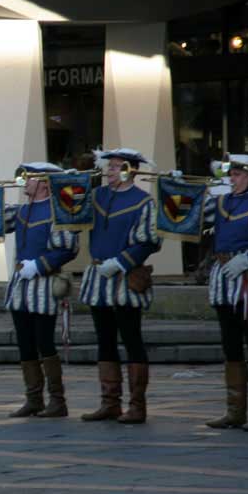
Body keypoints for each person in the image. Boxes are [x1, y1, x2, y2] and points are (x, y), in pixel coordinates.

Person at [77, 148, 162, 425]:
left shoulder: (143, 202)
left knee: (131, 338)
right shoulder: (97, 196)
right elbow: (72, 216)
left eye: (116, 167)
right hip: (98, 276)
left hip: (125, 279)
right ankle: (109, 403)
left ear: (130, 170)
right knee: (104, 340)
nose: (110, 171)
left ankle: (137, 406)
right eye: (109, 166)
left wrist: (121, 262)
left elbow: (149, 241)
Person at [5, 162, 79, 418]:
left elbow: (68, 248)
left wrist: (38, 265)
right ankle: (33, 398)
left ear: (45, 183)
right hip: (21, 287)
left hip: (43, 285)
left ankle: (57, 400)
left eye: (31, 177)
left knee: (44, 342)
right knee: (25, 343)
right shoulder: (22, 210)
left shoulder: (59, 210)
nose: (24, 180)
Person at [203, 153, 248, 431]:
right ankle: (235, 411)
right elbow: (191, 219)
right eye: (230, 174)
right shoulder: (222, 201)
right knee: (230, 344)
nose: (232, 179)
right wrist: (179, 190)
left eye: (238, 174)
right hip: (224, 278)